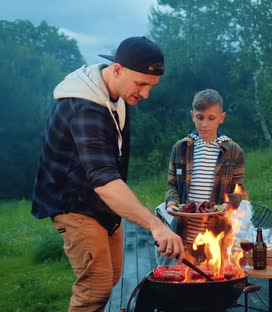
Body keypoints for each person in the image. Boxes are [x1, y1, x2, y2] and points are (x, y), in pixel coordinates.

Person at [31, 36, 184, 311]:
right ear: (117, 69)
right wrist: (156, 225)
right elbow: (103, 178)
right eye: (141, 84)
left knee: (111, 279)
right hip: (73, 203)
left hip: (103, 204)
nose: (145, 94)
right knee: (96, 287)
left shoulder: (117, 96)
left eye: (151, 87)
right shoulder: (84, 108)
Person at [160, 89, 245, 264]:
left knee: (213, 283)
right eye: (200, 117)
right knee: (184, 283)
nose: (204, 124)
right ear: (192, 116)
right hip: (184, 234)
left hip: (217, 235)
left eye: (211, 118)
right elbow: (172, 185)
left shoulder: (234, 151)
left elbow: (238, 192)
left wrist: (226, 207)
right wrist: (172, 202)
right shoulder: (180, 148)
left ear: (221, 117)